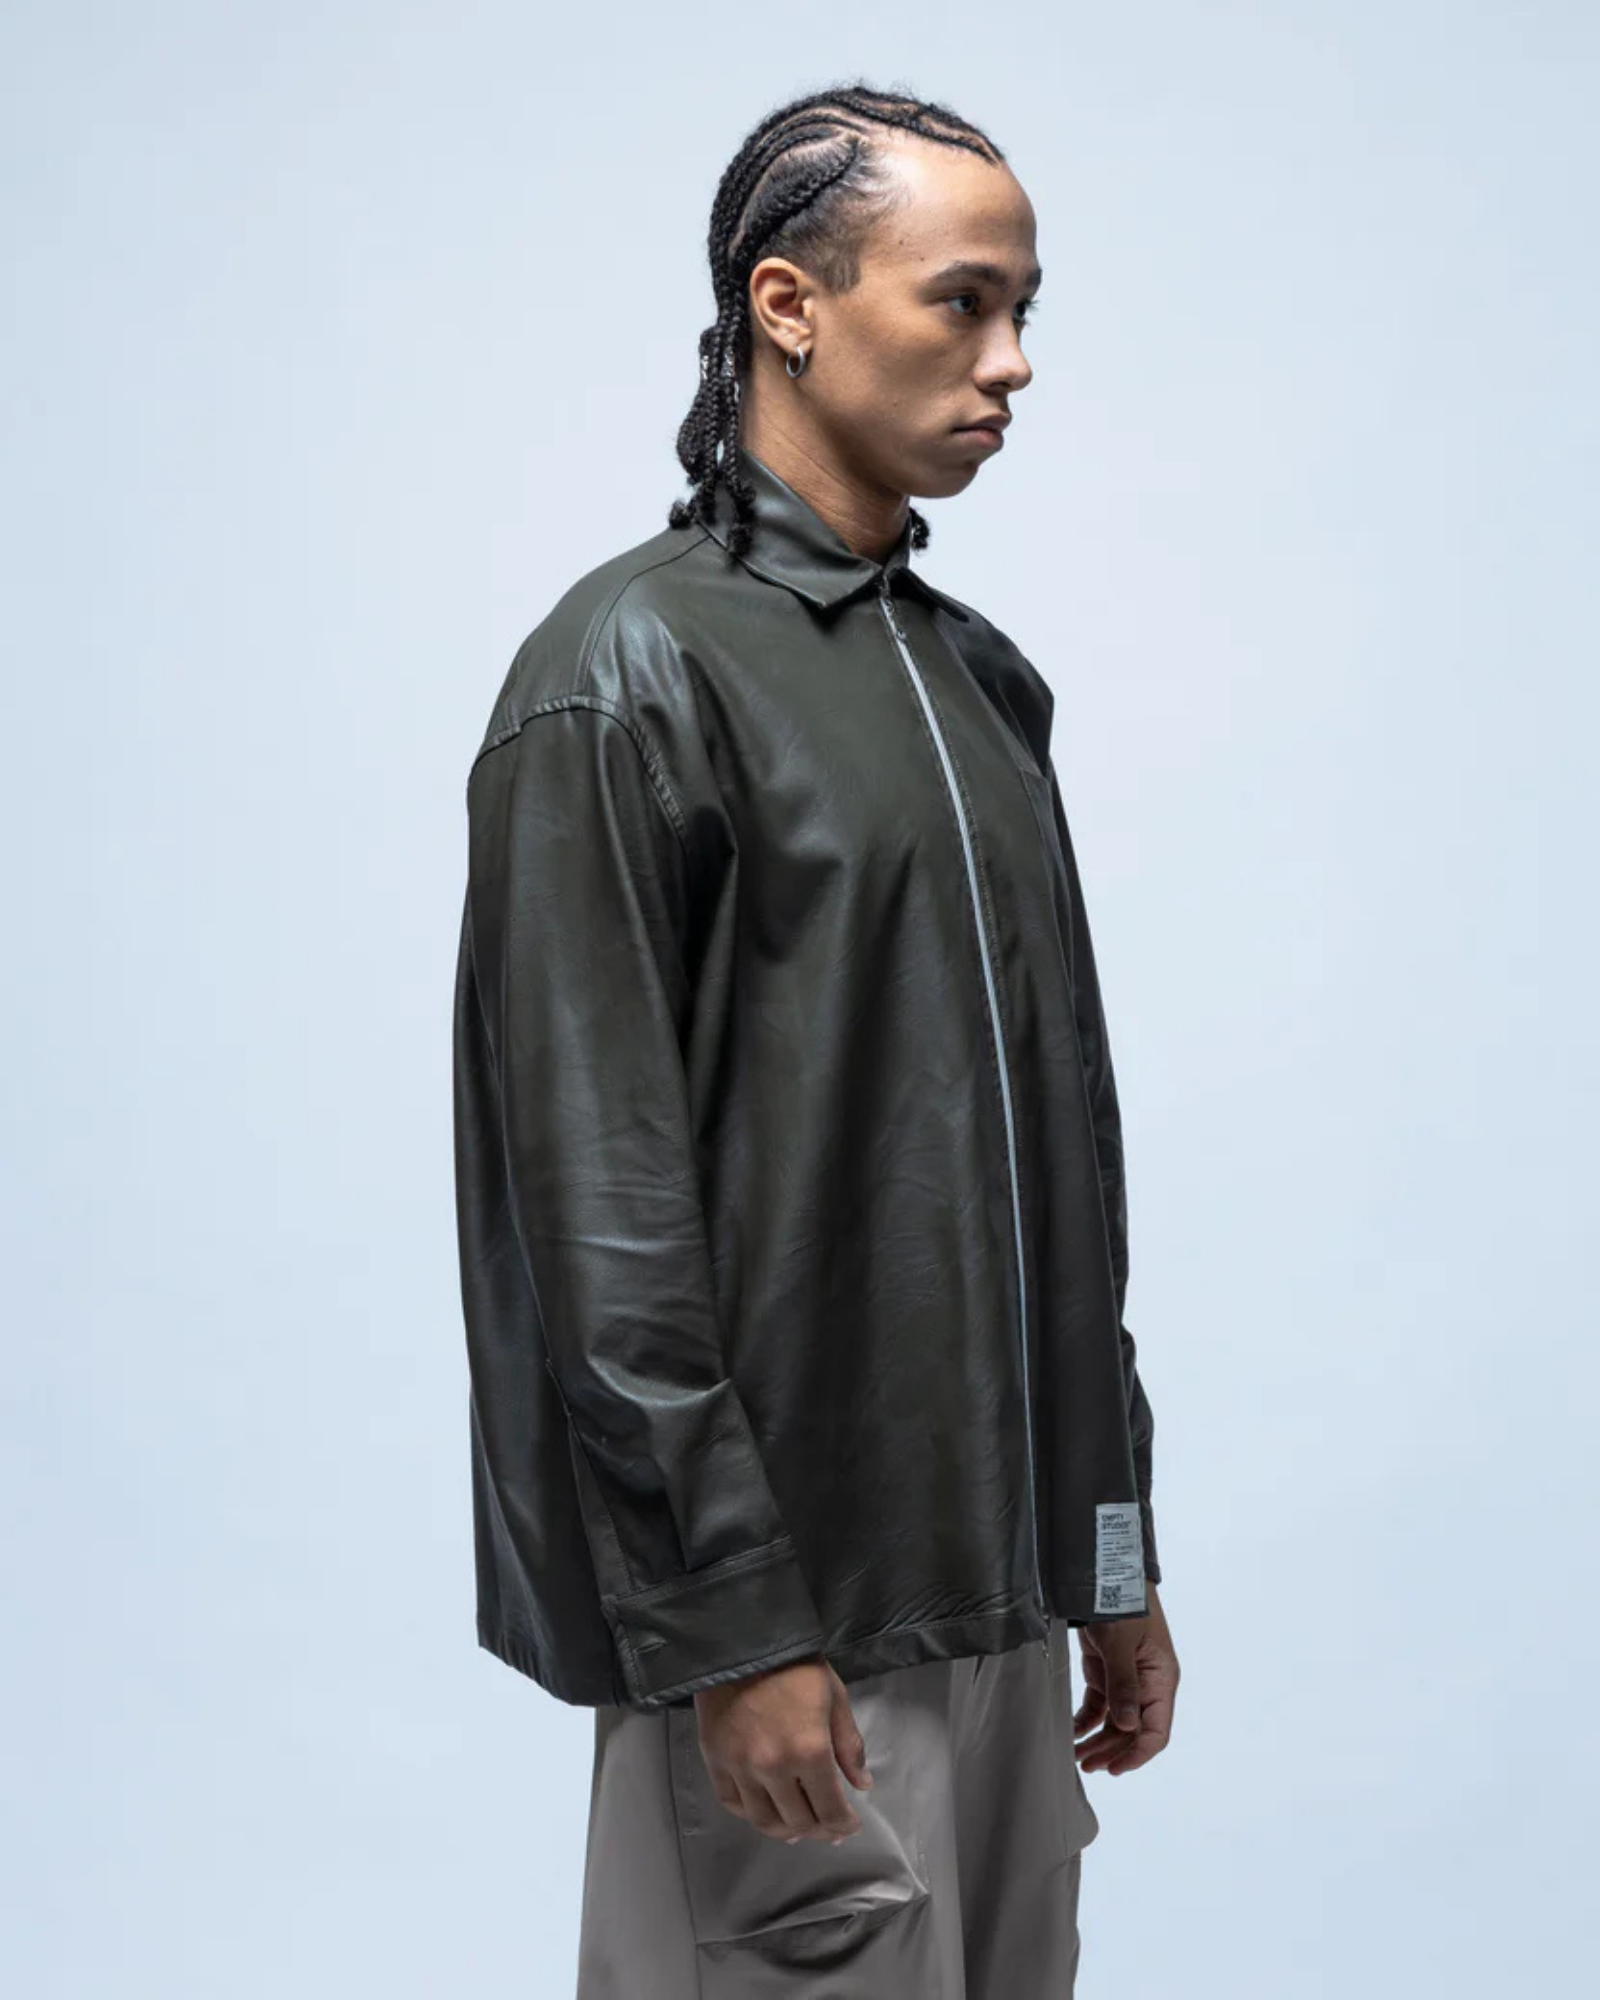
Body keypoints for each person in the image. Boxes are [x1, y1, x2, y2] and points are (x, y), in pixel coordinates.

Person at [452, 80, 1181, 1996]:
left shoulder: (979, 684)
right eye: (964, 302)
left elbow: (1064, 1169)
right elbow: (599, 1216)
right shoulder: (624, 677)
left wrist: (1112, 1560)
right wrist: (730, 1627)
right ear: (790, 304)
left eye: (1025, 310)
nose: (1014, 362)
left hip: (1010, 1608)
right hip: (795, 1645)